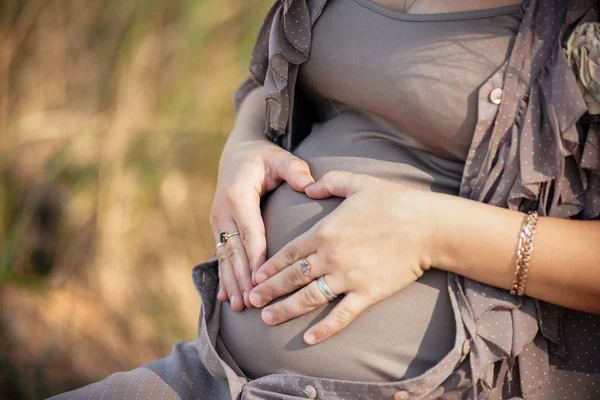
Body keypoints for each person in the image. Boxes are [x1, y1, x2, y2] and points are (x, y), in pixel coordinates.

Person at [50, 0, 600, 399]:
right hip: (221, 372)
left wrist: (429, 230)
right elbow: (273, 81)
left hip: (442, 386)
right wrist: (244, 146)